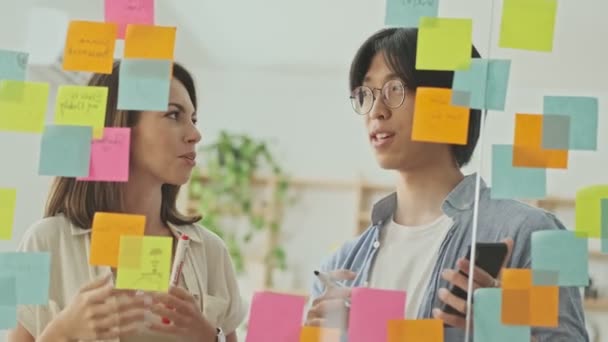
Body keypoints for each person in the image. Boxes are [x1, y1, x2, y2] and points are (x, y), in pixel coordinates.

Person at [305, 27, 588, 341]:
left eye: (394, 89)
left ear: (450, 102)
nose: (376, 110)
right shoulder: (340, 264)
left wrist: (499, 331)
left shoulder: (532, 233)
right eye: (365, 94)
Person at [8, 61, 246, 342]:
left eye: (193, 119)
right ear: (120, 126)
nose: (195, 134)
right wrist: (61, 333)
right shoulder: (43, 242)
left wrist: (210, 338)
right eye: (173, 114)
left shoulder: (210, 251)